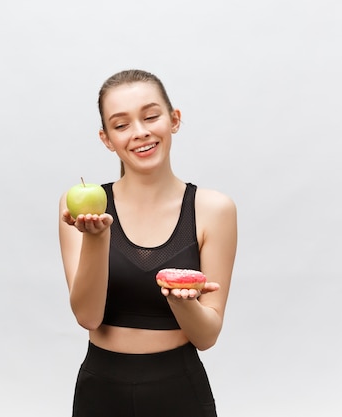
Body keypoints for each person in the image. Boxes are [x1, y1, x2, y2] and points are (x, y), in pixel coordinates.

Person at [58, 69, 237, 417]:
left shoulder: (214, 209)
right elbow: (87, 316)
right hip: (101, 392)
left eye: (151, 116)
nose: (140, 132)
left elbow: (207, 336)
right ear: (106, 139)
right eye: (121, 125)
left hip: (180, 390)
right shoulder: (79, 207)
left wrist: (181, 301)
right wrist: (96, 239)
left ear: (174, 120)